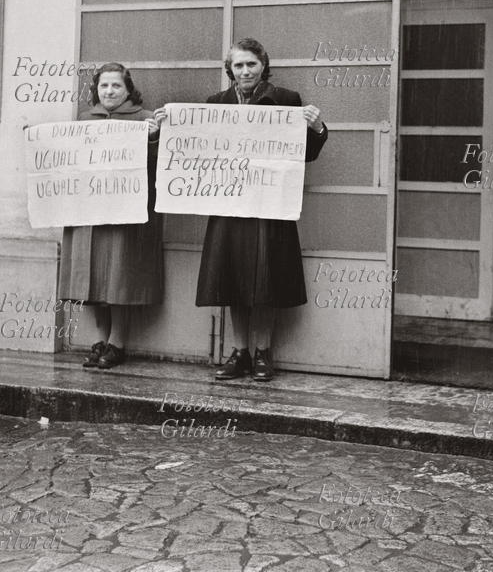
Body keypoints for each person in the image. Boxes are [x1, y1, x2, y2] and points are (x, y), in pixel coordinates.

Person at [156, 38, 328, 382]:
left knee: (266, 281)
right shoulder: (215, 104)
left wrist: (316, 128)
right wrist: (167, 126)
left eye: (251, 64)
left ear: (263, 65)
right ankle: (241, 353)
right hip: (228, 207)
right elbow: (194, 153)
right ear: (230, 70)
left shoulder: (286, 101)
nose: (245, 71)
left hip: (269, 208)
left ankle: (264, 352)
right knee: (233, 278)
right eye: (238, 65)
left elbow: (305, 154)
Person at [58, 63, 163, 369]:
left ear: (128, 90)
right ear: (96, 89)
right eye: (104, 86)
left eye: (116, 86)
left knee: (118, 277)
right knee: (95, 280)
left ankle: (118, 343)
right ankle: (103, 340)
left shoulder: (145, 119)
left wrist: (155, 138)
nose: (109, 92)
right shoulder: (84, 120)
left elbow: (161, 167)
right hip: (91, 214)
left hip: (125, 215)